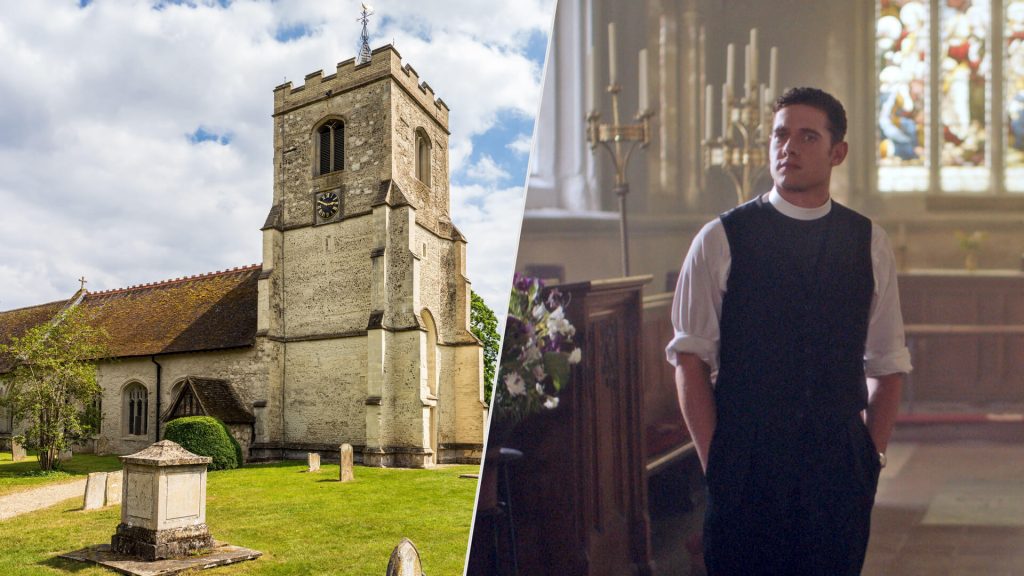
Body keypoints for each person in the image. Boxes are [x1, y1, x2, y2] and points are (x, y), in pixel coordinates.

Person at [665, 87, 912, 576]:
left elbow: (887, 365)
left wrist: (869, 461)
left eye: (807, 136)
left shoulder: (868, 243)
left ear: (836, 152)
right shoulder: (721, 238)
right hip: (747, 460)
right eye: (780, 134)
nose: (788, 147)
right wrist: (720, 465)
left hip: (839, 469)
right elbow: (690, 360)